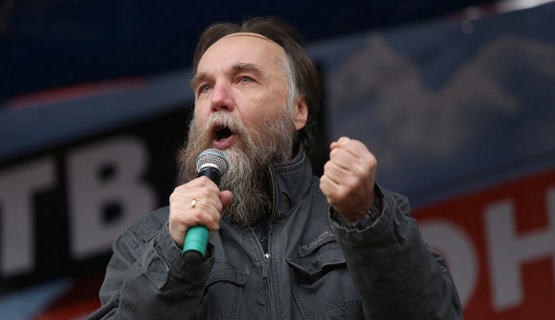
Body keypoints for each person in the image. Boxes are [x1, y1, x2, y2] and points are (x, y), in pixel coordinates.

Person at [88, 16, 463, 319]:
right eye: (204, 88)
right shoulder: (145, 242)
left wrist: (366, 222)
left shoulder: (368, 216)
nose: (218, 99)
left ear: (298, 111)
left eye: (243, 79)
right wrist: (173, 257)